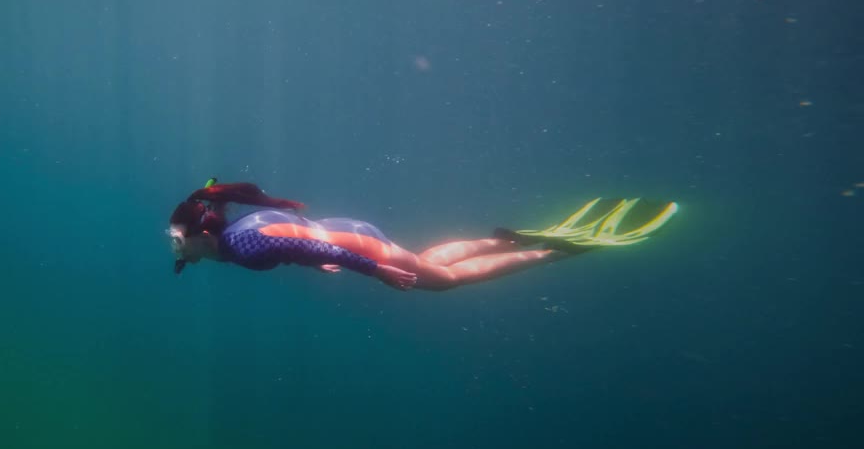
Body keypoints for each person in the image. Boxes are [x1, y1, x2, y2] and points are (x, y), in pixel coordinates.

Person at [167, 179, 678, 292]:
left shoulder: (242, 244)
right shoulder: (226, 227)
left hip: (353, 245)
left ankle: (550, 251)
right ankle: (505, 238)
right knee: (428, 257)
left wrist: (374, 270)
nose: (174, 248)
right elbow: (298, 243)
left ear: (199, 236)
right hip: (345, 231)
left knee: (441, 278)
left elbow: (309, 246)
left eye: (176, 241)